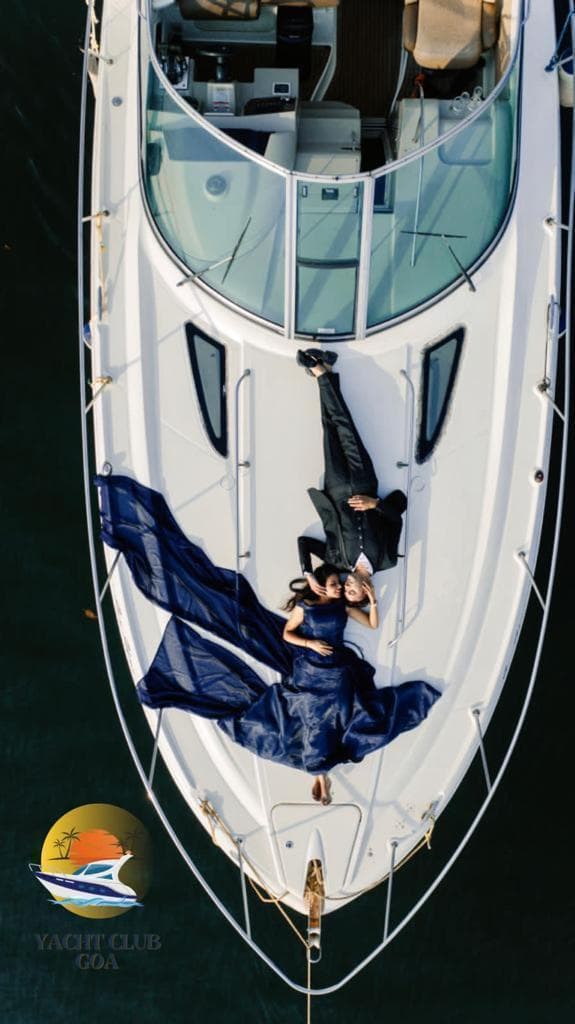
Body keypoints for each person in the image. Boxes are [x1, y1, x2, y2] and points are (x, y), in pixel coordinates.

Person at [95, 475, 441, 798]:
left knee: (320, 713)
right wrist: (310, 641)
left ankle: (318, 768)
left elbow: (372, 624)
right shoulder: (305, 607)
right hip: (313, 664)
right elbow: (289, 634)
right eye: (336, 584)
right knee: (328, 712)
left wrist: (373, 600)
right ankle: (320, 769)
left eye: (340, 585)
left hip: (333, 668)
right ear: (323, 586)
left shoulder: (343, 607)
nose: (339, 587)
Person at [295, 349, 408, 591]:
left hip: (335, 487)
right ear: (366, 589)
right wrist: (374, 504)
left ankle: (326, 372)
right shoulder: (387, 560)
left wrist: (308, 573)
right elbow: (395, 520)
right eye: (353, 592)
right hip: (363, 481)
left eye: (345, 591)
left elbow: (304, 542)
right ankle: (321, 372)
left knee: (329, 429)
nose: (347, 588)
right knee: (345, 428)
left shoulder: (337, 561)